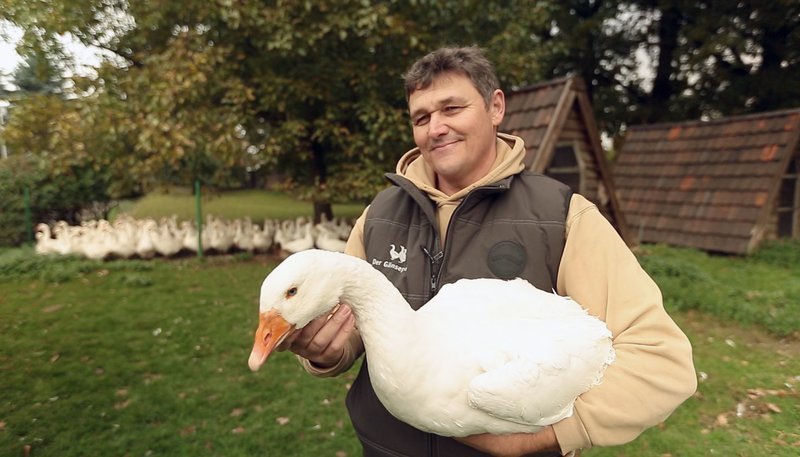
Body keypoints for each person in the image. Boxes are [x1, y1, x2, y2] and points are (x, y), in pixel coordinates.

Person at [277, 46, 697, 457]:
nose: (435, 127)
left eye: (451, 109)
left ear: (496, 107)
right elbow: (347, 331)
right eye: (421, 117)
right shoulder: (378, 217)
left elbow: (662, 363)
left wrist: (548, 437)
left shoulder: (563, 217)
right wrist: (327, 353)